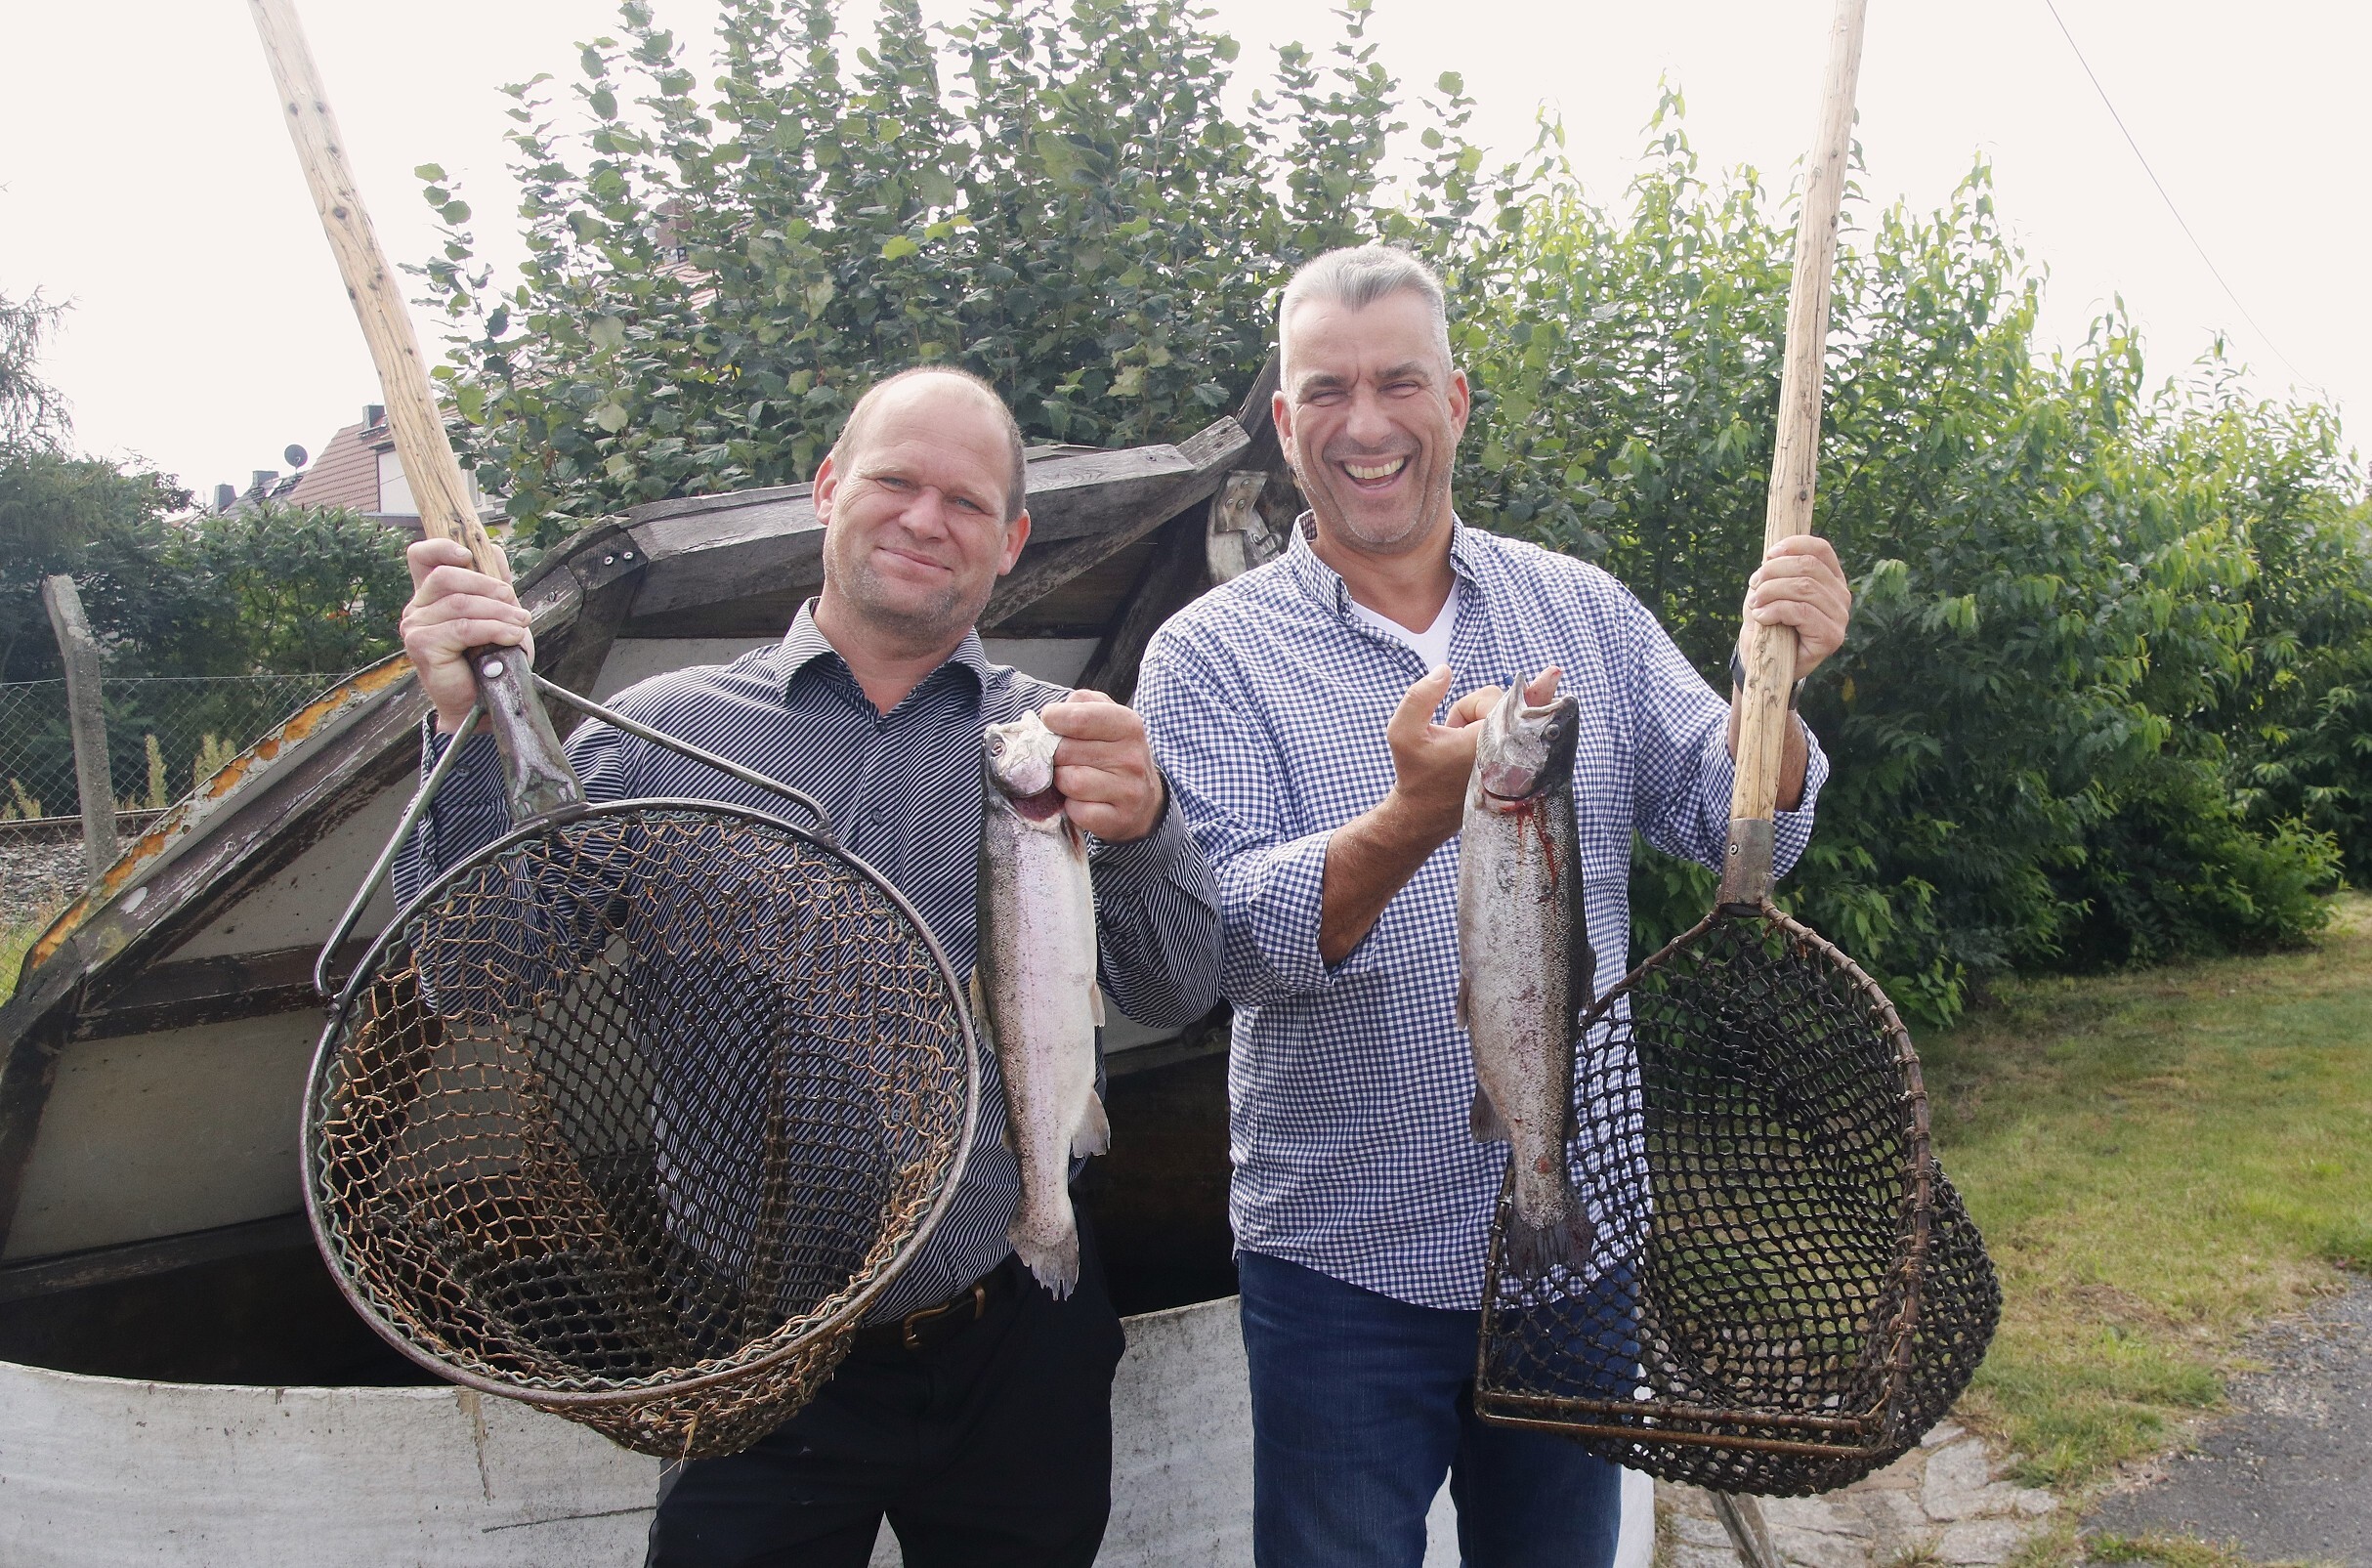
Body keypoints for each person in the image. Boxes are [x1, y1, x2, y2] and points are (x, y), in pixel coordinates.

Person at [397, 365, 1222, 1568]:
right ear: (830, 487)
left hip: (1016, 1330)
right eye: (894, 481)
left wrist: (1146, 836)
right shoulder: (656, 735)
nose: (925, 519)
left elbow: (1180, 987)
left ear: (1011, 542)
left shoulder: (1073, 743)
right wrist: (466, 730)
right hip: (750, 1355)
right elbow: (479, 977)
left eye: (966, 501)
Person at [1131, 245, 1855, 1568]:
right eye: (1326, 390)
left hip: (1574, 1253)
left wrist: (1780, 691)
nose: (1366, 423)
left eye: (1399, 381)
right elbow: (1219, 944)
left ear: (1455, 400)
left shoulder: (1582, 605)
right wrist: (1410, 815)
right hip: (1342, 1266)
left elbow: (1743, 831)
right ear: (1285, 423)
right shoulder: (1206, 657)